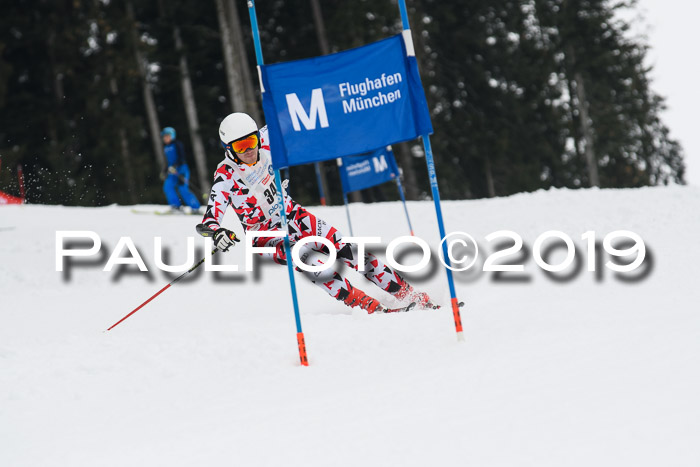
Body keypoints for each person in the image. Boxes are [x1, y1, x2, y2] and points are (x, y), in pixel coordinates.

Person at [200, 113, 436, 313]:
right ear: (228, 149)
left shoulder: (265, 140)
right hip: (263, 235)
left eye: (251, 141)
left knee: (347, 249)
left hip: (292, 213)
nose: (250, 149)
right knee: (312, 260)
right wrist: (216, 231)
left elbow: (290, 113)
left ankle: (406, 294)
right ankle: (369, 307)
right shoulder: (226, 176)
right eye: (240, 146)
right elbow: (211, 216)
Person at [160, 127, 202, 213]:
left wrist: (176, 166)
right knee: (167, 187)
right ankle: (176, 207)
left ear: (172, 136)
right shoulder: (166, 148)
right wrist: (164, 171)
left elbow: (182, 157)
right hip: (172, 171)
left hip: (181, 169)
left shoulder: (177, 144)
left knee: (183, 188)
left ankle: (195, 208)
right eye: (164, 137)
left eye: (167, 136)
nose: (165, 138)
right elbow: (167, 161)